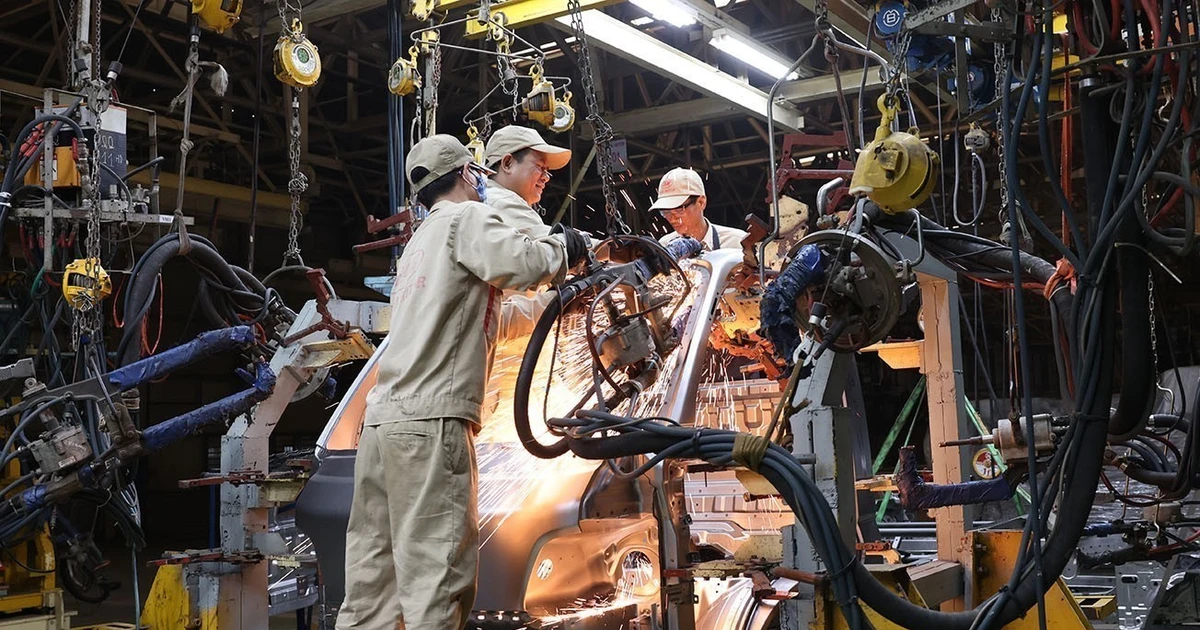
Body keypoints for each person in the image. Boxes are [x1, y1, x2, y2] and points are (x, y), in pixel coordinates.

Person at [337, 134, 590, 630]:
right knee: (438, 582)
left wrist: (560, 306)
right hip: (431, 428)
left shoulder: (419, 245)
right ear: (470, 174)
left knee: (372, 590)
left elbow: (485, 319)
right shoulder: (467, 218)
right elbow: (527, 264)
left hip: (382, 428)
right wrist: (569, 249)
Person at [483, 124, 572, 236]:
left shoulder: (483, 196)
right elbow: (551, 244)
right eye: (539, 167)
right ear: (507, 163)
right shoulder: (501, 200)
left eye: (547, 171)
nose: (546, 177)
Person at [651, 167, 748, 250]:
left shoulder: (737, 243)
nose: (672, 219)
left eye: (679, 209)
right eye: (666, 212)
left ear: (701, 202)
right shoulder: (664, 247)